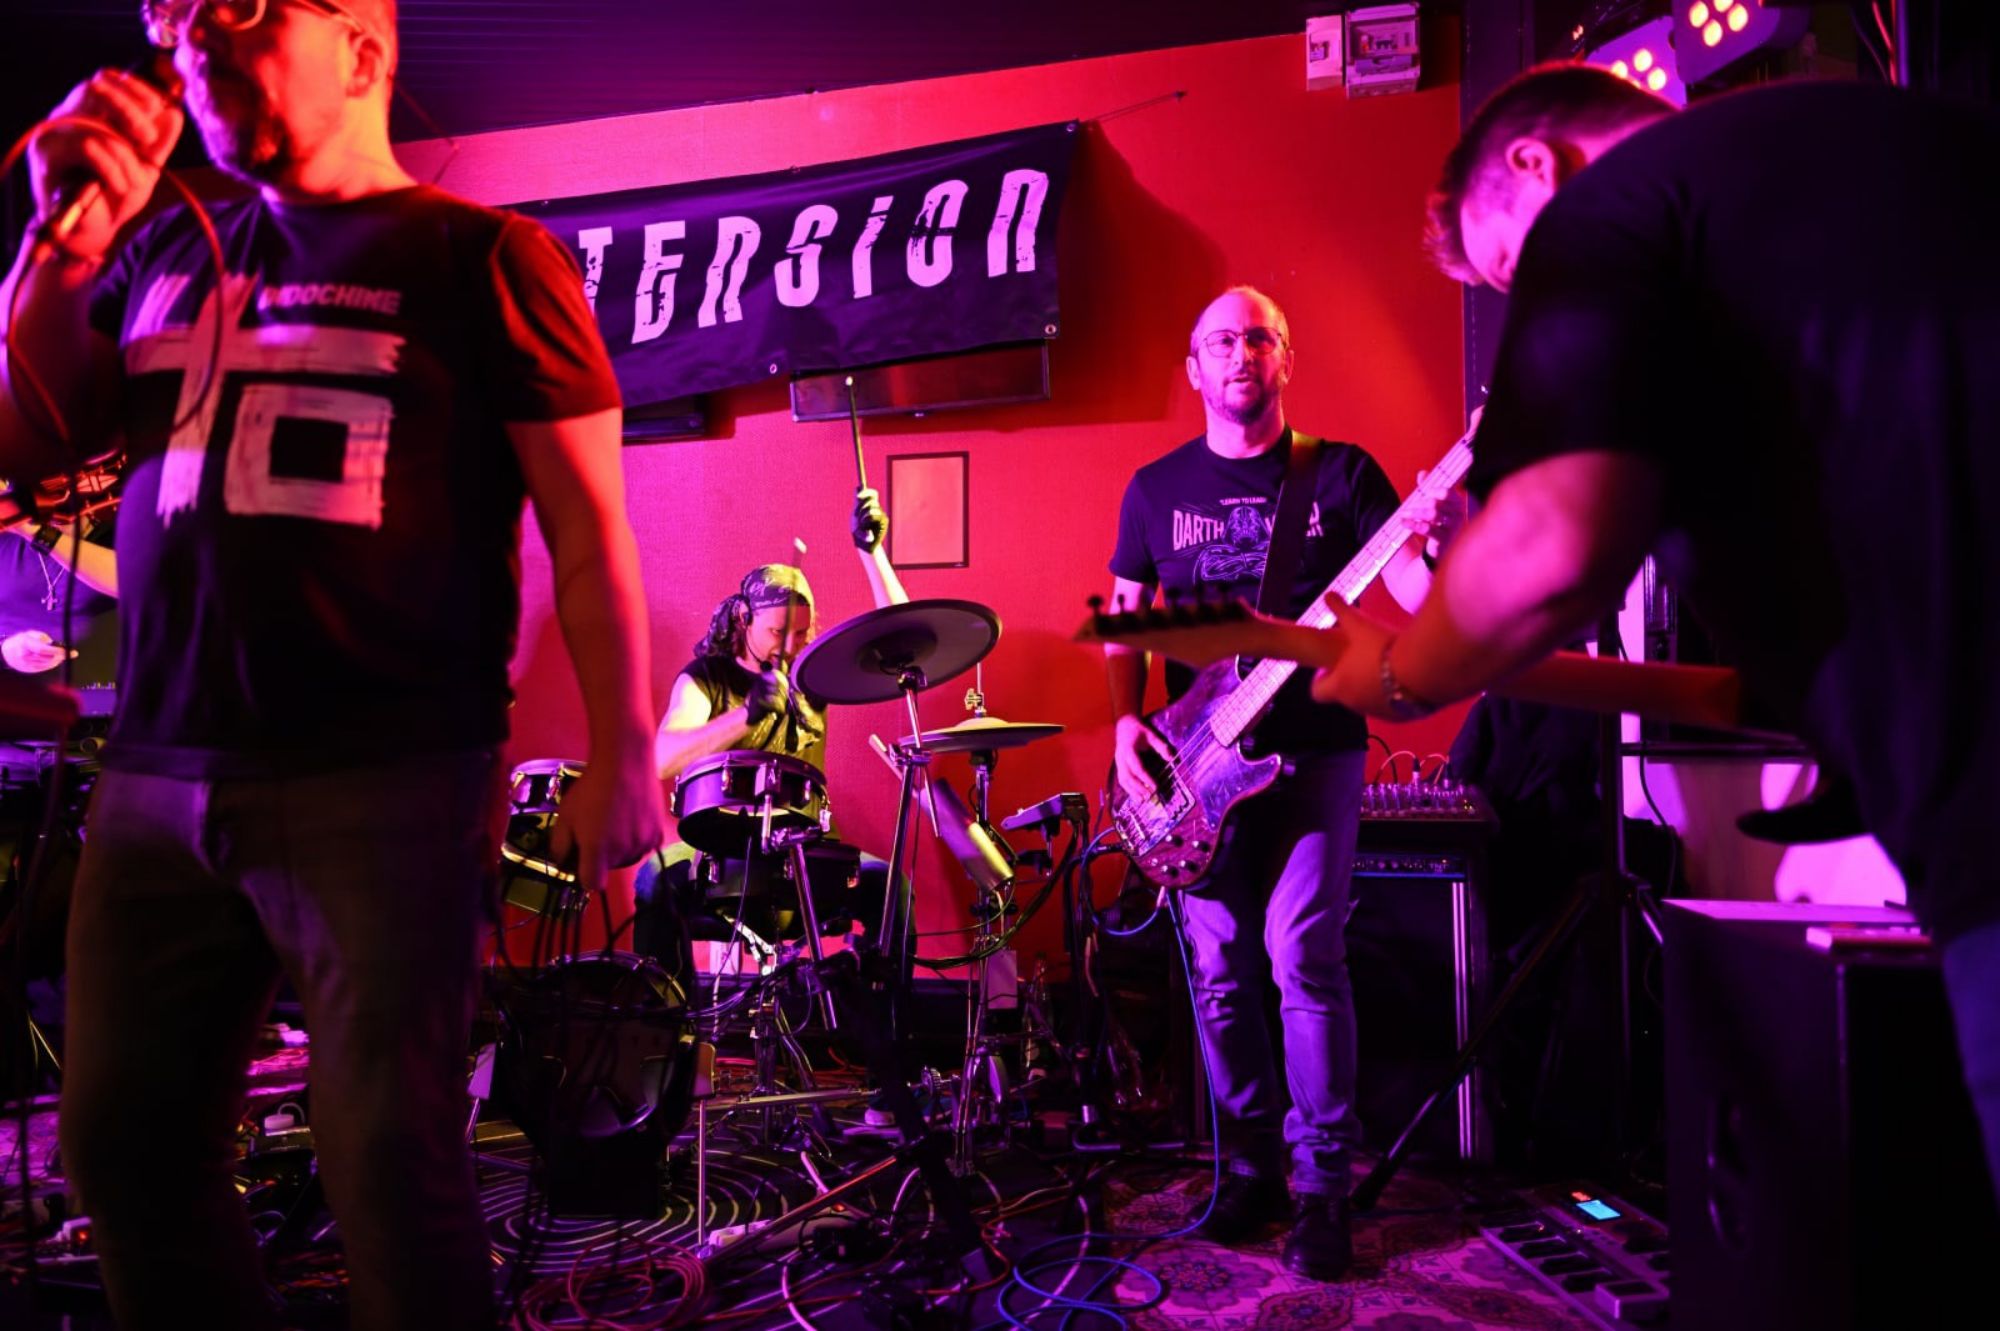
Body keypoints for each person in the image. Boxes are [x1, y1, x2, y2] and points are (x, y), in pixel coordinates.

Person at [0, 1, 665, 1326]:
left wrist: (626, 751)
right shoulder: (162, 250)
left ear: (362, 50)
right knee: (123, 1145)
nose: (197, 40)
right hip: (155, 768)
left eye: (242, 12)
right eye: (182, 23)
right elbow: (22, 444)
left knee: (387, 1160)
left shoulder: (486, 258)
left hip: (385, 774)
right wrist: (56, 243)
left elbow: (591, 536)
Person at [1309, 64, 2000, 1203]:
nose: (1529, 302)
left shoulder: (1611, 204)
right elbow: (1738, 694)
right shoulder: (1865, 143)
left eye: (1512, 270)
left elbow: (1550, 547)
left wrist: (1397, 669)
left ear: (1537, 164)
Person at [1104, 285, 1440, 1280]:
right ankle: (1249, 1161)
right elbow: (1124, 617)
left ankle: (1321, 1185)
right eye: (1220, 340)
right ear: (1193, 368)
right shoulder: (1154, 488)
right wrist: (1124, 720)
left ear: (1284, 358)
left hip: (1315, 749)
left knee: (1303, 956)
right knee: (1216, 972)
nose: (1240, 352)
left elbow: (1415, 591)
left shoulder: (1340, 474)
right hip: (1195, 765)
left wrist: (1430, 538)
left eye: (1258, 337)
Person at [642, 494, 907, 993]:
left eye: (801, 633)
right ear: (744, 619)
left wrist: (872, 554)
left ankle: (881, 1033)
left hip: (805, 848)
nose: (790, 645)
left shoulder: (812, 672)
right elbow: (661, 760)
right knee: (653, 881)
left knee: (892, 889)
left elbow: (902, 639)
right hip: (717, 846)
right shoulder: (705, 678)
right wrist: (744, 716)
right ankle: (671, 1026)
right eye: (778, 631)